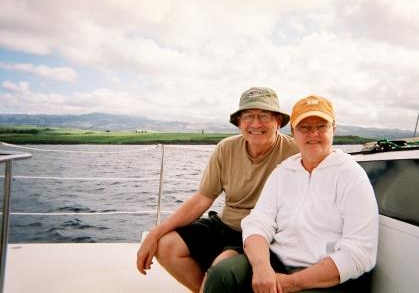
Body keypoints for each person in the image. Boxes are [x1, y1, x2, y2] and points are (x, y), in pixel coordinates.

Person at [204, 95, 379, 293]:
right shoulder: (283, 172)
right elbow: (258, 222)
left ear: (333, 130)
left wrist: (291, 282)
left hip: (329, 278)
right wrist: (262, 268)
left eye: (321, 126)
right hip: (277, 262)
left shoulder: (351, 175)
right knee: (222, 274)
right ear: (293, 132)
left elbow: (360, 252)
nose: (313, 134)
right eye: (304, 127)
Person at [136, 87, 299, 292]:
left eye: (264, 116)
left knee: (220, 266)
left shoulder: (294, 153)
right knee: (166, 245)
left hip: (261, 233)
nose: (255, 124)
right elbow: (202, 199)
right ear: (239, 122)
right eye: (248, 116)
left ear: (277, 121)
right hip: (225, 224)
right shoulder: (226, 148)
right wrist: (154, 234)